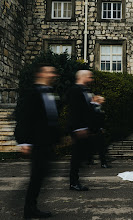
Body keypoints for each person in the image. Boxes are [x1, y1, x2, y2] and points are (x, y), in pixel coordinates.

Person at [14, 64, 60, 218]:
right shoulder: (32, 93)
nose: (53, 74)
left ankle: (31, 205)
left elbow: (50, 117)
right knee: (37, 176)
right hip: (36, 142)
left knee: (41, 175)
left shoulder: (50, 93)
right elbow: (23, 117)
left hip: (46, 142)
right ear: (41, 74)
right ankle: (28, 209)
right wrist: (24, 141)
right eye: (50, 72)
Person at [67, 70, 94, 191]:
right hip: (78, 129)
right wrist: (78, 128)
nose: (91, 79)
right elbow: (74, 111)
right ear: (83, 77)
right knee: (77, 156)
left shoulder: (85, 91)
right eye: (89, 77)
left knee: (80, 155)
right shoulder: (74, 90)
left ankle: (75, 179)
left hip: (84, 129)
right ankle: (73, 182)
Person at [89, 95, 110, 168]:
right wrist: (100, 128)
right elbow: (97, 119)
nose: (103, 101)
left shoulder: (95, 107)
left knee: (96, 146)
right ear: (97, 100)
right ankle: (103, 163)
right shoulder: (95, 107)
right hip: (96, 130)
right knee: (101, 147)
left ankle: (90, 160)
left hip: (95, 130)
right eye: (102, 100)